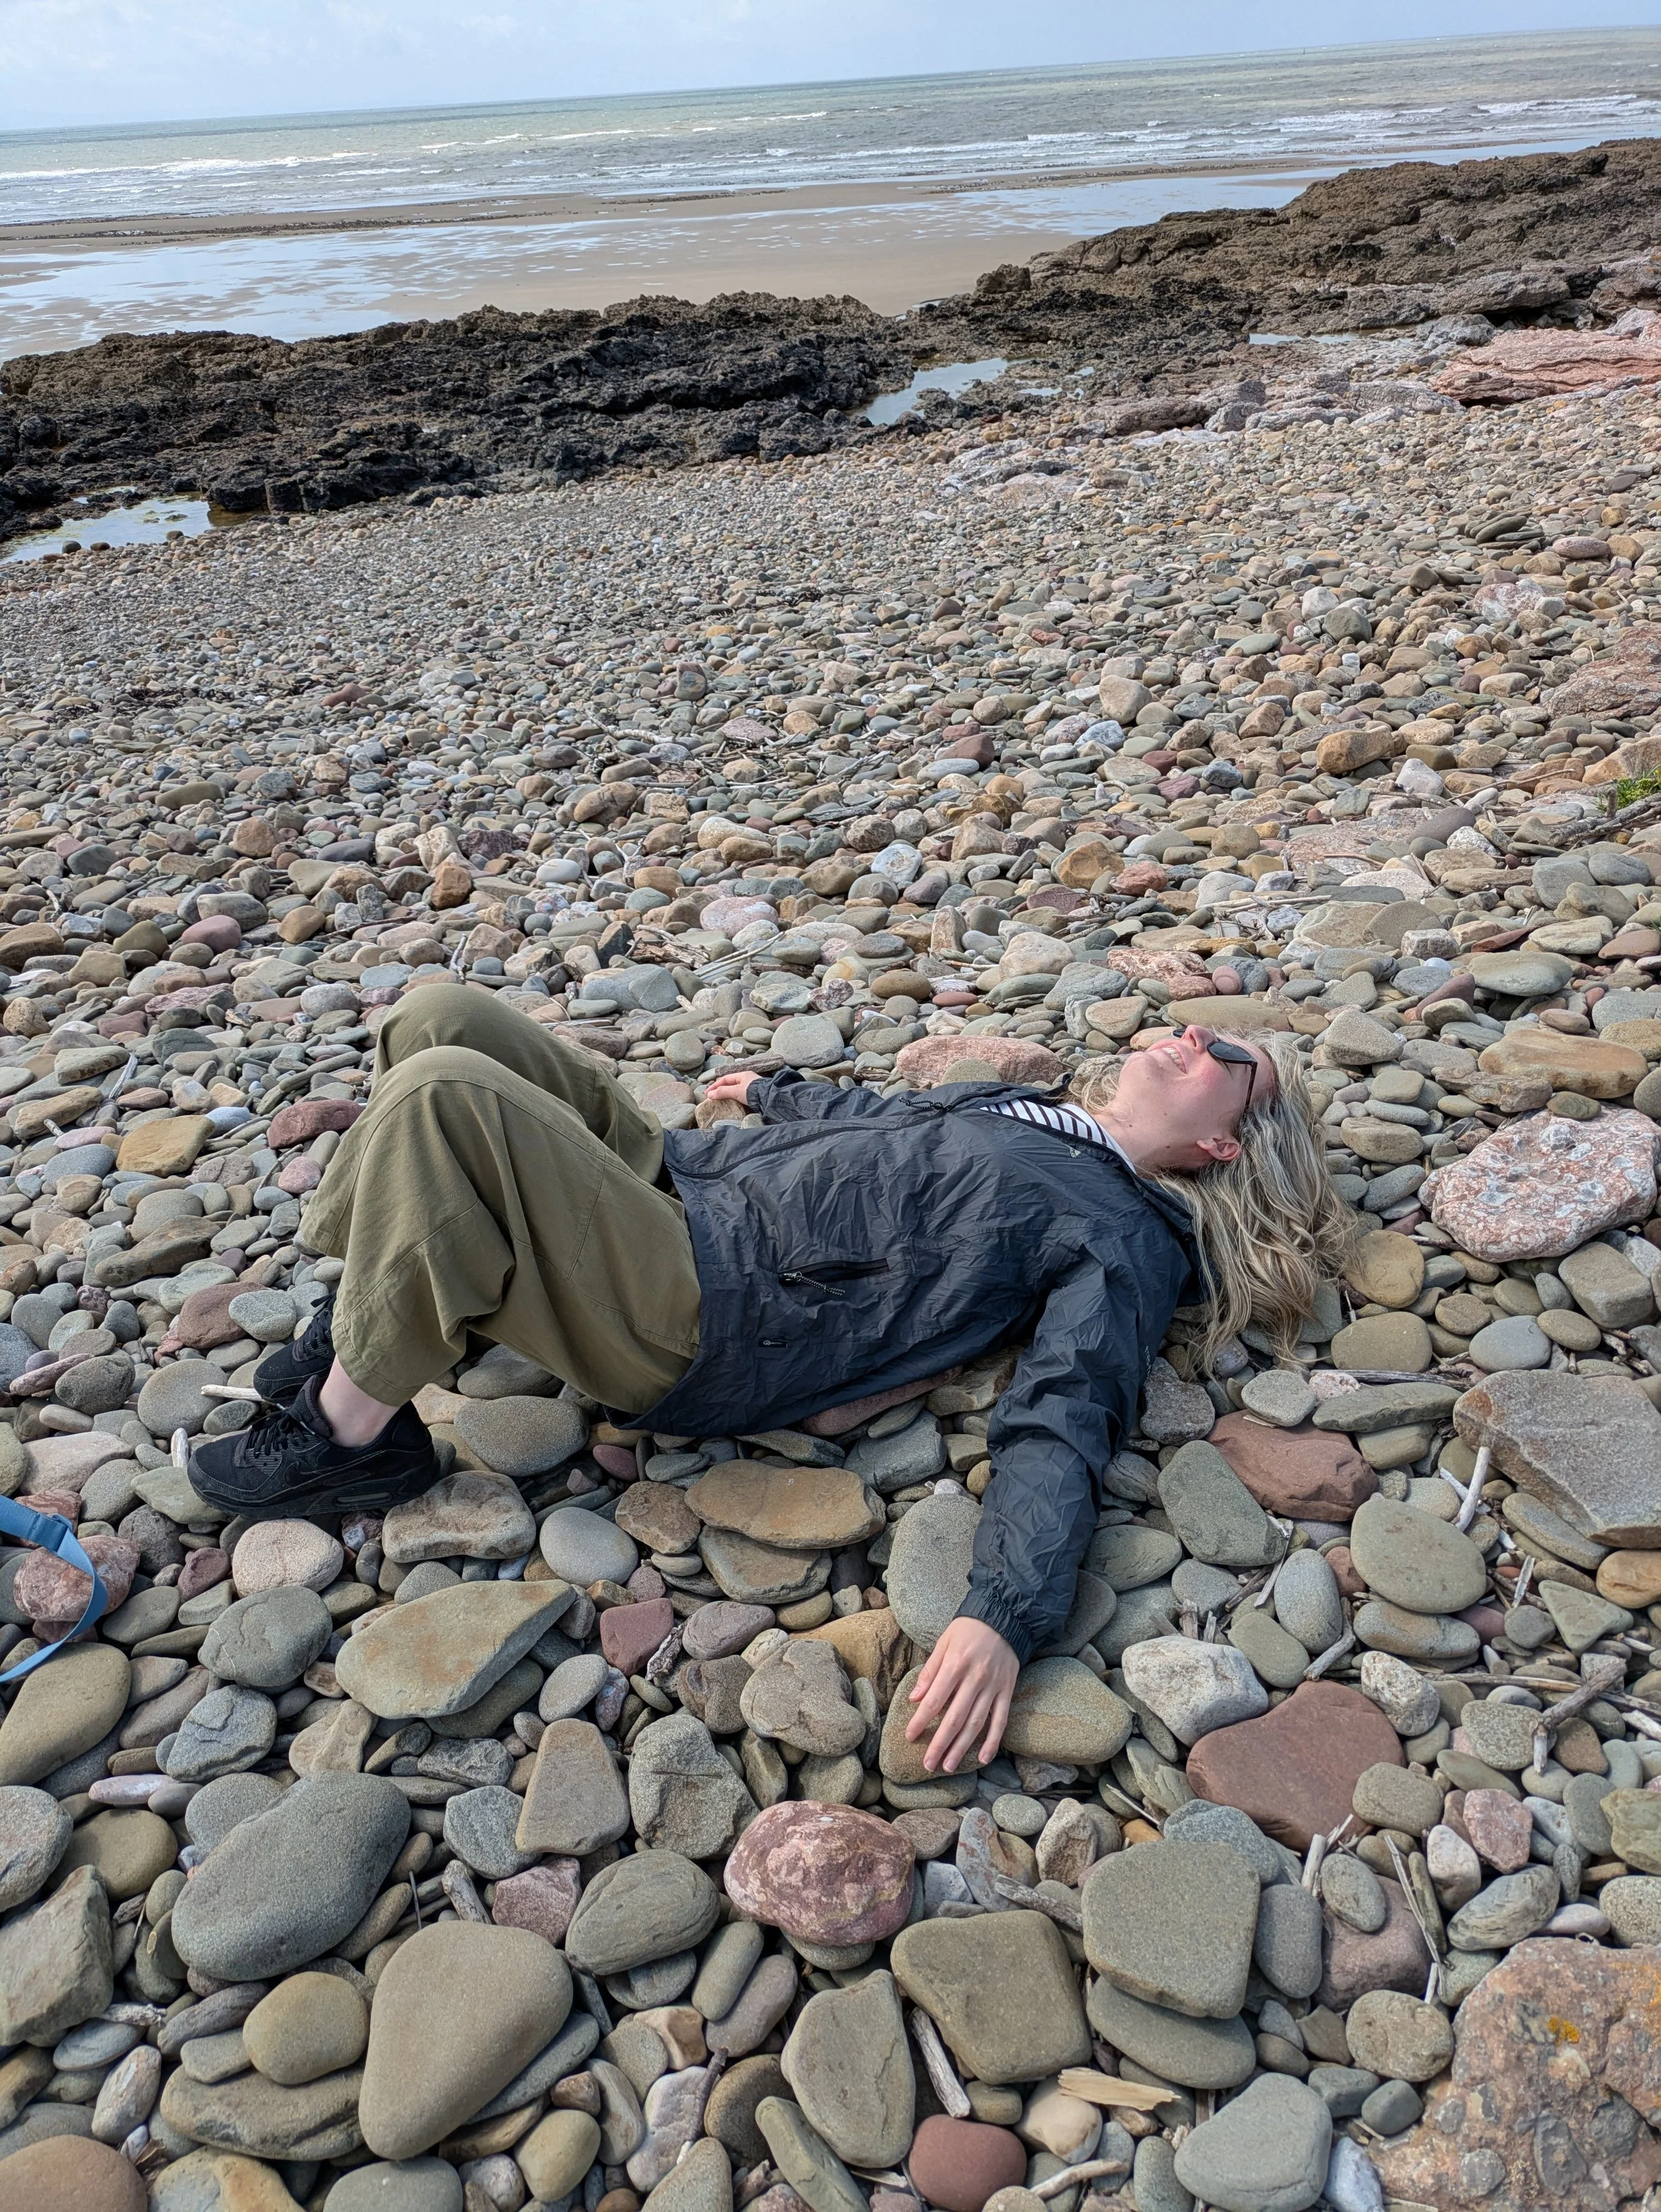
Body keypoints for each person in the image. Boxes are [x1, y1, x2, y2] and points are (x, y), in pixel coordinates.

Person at [191, 984, 1350, 1775]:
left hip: (715, 1306)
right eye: (1195, 1027)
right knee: (436, 1016)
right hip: (694, 1181)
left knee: (445, 1094)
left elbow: (1070, 1408)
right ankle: (370, 1315)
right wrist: (782, 1098)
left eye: (1225, 1058)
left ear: (1223, 1147)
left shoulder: (1123, 1231)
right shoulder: (1043, 1116)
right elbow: (894, 1129)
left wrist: (1004, 1613)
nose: (1192, 1039)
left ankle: (353, 1432)